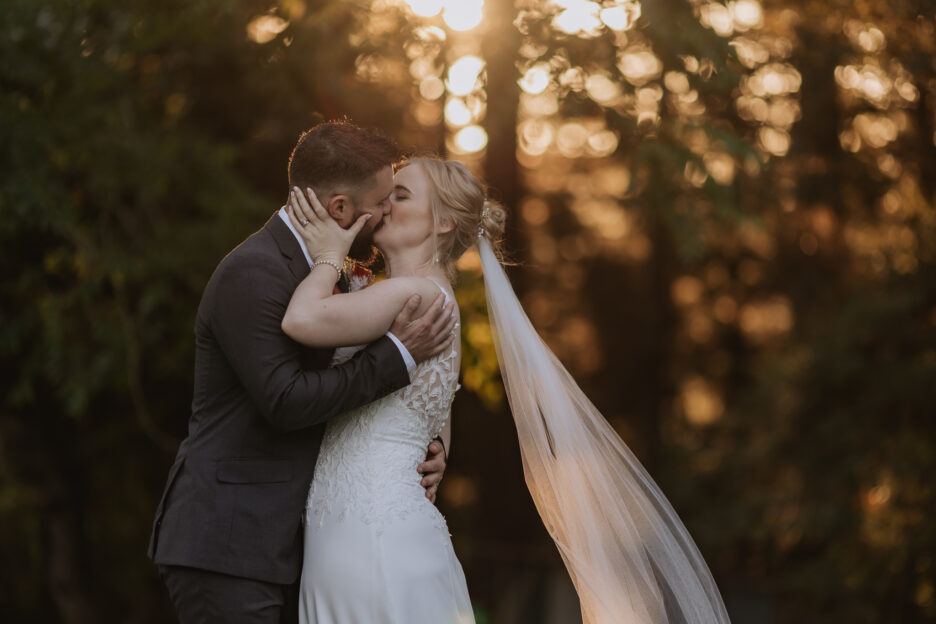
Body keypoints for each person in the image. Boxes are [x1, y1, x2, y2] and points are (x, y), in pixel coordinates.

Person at [282, 155, 732, 624]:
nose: (384, 203)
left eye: (401, 194)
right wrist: (434, 450)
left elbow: (300, 320)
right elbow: (438, 414)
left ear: (444, 223)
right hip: (353, 531)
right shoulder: (414, 295)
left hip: (374, 540)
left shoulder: (418, 295)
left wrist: (329, 254)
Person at [147, 122, 455, 624]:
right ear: (339, 209)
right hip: (229, 543)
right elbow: (286, 400)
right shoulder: (256, 272)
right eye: (380, 201)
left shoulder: (334, 275)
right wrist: (396, 355)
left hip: (291, 543)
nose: (385, 215)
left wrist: (423, 445)